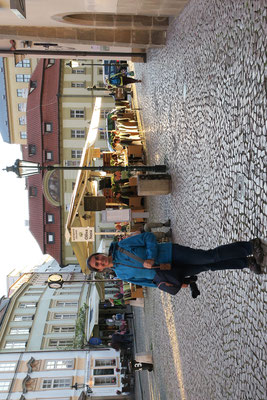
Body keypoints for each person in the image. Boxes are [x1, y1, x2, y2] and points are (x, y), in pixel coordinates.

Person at [87, 232, 265, 295]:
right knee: (208, 266)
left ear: (101, 254)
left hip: (171, 253)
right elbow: (149, 283)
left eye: (98, 258)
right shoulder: (121, 275)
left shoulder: (122, 246)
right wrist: (176, 283)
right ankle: (245, 262)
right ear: (101, 269)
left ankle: (250, 246)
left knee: (209, 257)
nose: (101, 261)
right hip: (170, 272)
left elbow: (148, 237)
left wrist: (150, 256)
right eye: (98, 264)